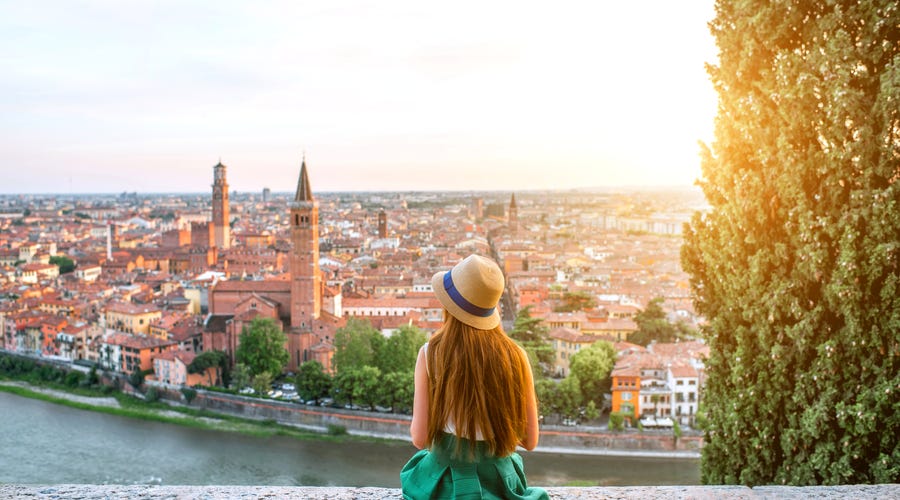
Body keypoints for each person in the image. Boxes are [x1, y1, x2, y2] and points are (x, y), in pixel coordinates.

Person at [400, 255, 547, 499]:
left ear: (449, 306)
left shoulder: (430, 354)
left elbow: (420, 438)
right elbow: (530, 441)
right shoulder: (516, 355)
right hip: (500, 483)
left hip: (447, 482)